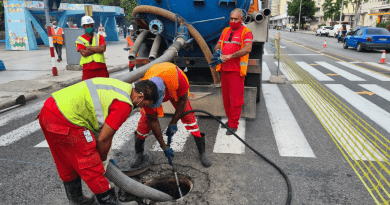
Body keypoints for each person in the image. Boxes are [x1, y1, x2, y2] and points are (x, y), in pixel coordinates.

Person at [38, 78, 159, 205]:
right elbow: (104, 138)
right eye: (144, 104)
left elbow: (102, 128)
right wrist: (101, 159)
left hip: (49, 111)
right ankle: (111, 203)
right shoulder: (124, 104)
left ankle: (77, 200)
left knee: (66, 162)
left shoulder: (123, 87)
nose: (141, 108)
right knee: (91, 165)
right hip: (67, 120)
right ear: (140, 96)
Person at [131, 62, 212, 168]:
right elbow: (153, 120)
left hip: (173, 87)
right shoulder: (144, 92)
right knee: (144, 123)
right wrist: (164, 146)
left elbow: (183, 100)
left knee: (189, 117)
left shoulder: (178, 79)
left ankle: (202, 152)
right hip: (155, 91)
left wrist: (173, 122)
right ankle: (139, 154)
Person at [211, 8, 253, 135]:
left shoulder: (246, 32)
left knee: (235, 99)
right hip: (224, 69)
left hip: (236, 70)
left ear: (241, 20)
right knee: (226, 99)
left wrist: (230, 56)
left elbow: (247, 48)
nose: (233, 21)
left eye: (236, 19)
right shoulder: (225, 31)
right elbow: (218, 45)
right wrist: (218, 51)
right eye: (231, 19)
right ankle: (230, 121)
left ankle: (234, 124)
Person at [76, 16, 108, 81]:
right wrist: (97, 49)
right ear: (83, 27)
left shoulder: (100, 36)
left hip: (101, 68)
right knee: (88, 89)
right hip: (88, 69)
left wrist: (89, 48)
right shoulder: (79, 39)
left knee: (104, 88)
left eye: (91, 25)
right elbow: (84, 53)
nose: (90, 27)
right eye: (87, 26)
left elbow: (103, 49)